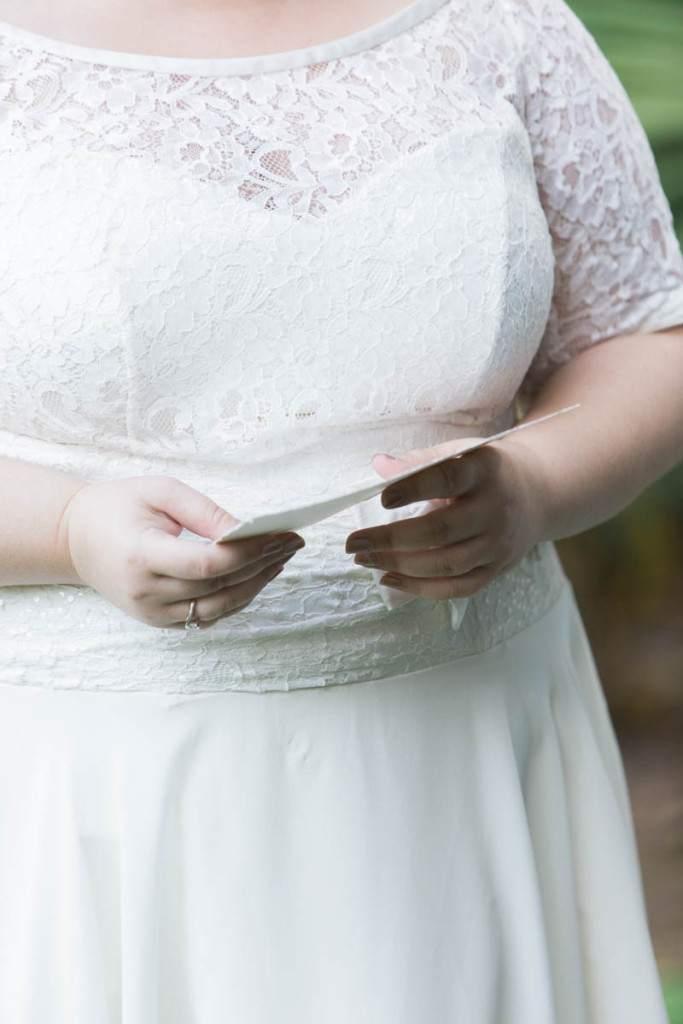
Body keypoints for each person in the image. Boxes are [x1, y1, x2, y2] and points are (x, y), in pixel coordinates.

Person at [0, 0, 682, 1019]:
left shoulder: (506, 22)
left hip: (468, 760)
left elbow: (643, 334)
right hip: (102, 782)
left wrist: (533, 482)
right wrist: (65, 527)